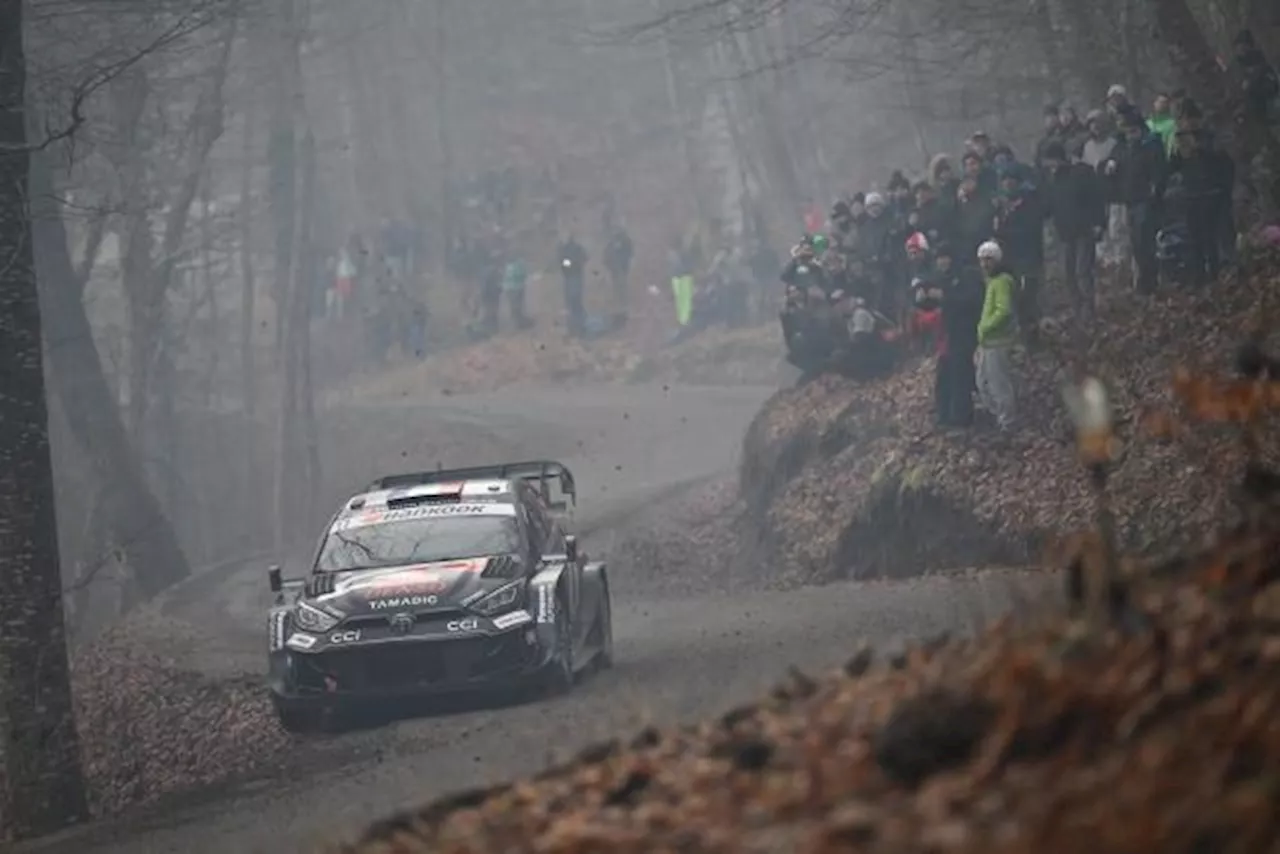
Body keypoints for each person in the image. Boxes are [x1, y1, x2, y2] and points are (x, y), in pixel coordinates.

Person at [1041, 140, 1107, 323]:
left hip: (1084, 231)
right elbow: (1049, 206)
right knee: (1068, 273)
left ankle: (1088, 310)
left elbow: (1096, 199)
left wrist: (1099, 223)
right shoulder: (1052, 180)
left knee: (1082, 272)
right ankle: (1077, 309)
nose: (1048, 166)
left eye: (1050, 162)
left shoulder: (1081, 172)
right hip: (1064, 233)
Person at [1105, 107, 1167, 294]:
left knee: (1145, 242)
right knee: (1135, 243)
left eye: (1134, 131)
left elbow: (1159, 173)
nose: (1131, 135)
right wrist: (1110, 168)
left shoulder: (1151, 146)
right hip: (1128, 200)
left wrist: (1154, 193)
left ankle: (1150, 281)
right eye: (1127, 131)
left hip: (1145, 201)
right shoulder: (1121, 148)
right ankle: (1143, 281)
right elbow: (1110, 168)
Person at [993, 163, 1046, 347]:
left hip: (1028, 257)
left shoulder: (1029, 202)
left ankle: (1034, 339)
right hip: (1010, 260)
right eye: (1005, 180)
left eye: (1011, 180)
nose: (1008, 184)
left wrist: (1005, 232)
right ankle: (1024, 337)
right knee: (1015, 301)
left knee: (1029, 300)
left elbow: (1030, 229)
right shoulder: (1001, 207)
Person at [934, 244, 983, 427]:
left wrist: (945, 296)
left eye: (944, 257)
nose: (941, 262)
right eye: (939, 258)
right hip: (948, 335)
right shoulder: (943, 279)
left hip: (966, 333)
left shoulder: (967, 275)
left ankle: (961, 419)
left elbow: (972, 300)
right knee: (943, 377)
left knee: (960, 377)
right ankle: (943, 416)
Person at [976, 240, 1017, 432]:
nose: (985, 264)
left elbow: (1004, 310)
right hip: (987, 342)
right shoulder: (992, 281)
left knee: (999, 384)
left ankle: (1008, 422)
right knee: (982, 382)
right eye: (982, 260)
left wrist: (985, 326)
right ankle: (998, 418)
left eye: (989, 259)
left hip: (998, 341)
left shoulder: (1002, 281)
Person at [556, 232, 589, 337]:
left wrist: (572, 263)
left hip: (574, 276)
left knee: (574, 300)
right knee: (572, 301)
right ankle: (574, 326)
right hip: (570, 276)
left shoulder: (575, 248)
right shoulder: (565, 249)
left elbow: (583, 258)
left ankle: (578, 325)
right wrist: (568, 263)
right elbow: (561, 261)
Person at [603, 225, 634, 327]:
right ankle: (620, 310)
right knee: (618, 289)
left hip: (621, 269)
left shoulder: (625, 242)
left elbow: (629, 253)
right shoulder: (612, 243)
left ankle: (622, 309)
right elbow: (607, 256)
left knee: (621, 289)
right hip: (616, 270)